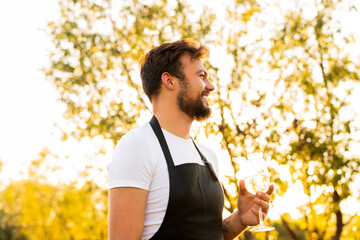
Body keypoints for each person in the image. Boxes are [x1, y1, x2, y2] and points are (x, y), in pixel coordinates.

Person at [108, 39, 274, 240]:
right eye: (202, 76)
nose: (210, 86)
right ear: (169, 81)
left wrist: (240, 218)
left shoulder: (208, 155)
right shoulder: (138, 146)